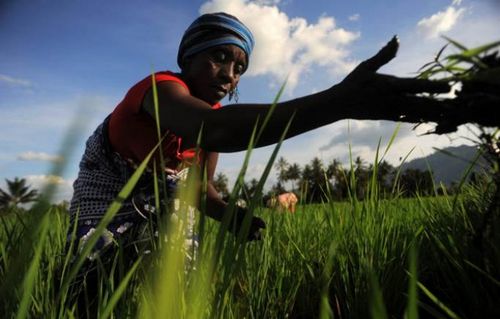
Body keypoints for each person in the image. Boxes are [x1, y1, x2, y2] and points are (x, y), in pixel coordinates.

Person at [68, 11, 449, 266]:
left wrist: (228, 213)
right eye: (219, 57)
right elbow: (215, 128)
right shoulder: (161, 89)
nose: (229, 74)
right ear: (187, 58)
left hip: (168, 193)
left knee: (172, 274)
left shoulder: (215, 121)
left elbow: (200, 188)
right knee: (92, 269)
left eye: (240, 68)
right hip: (110, 185)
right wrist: (337, 102)